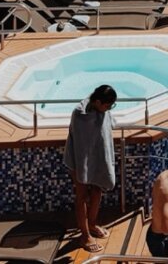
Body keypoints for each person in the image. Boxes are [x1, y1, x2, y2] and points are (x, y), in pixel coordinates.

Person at [64, 85, 118, 253]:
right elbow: (79, 141)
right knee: (81, 196)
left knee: (97, 189)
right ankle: (85, 235)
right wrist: (83, 165)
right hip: (78, 159)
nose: (109, 109)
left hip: (98, 158)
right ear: (98, 102)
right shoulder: (80, 115)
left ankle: (92, 224)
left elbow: (105, 132)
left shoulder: (103, 111)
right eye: (107, 106)